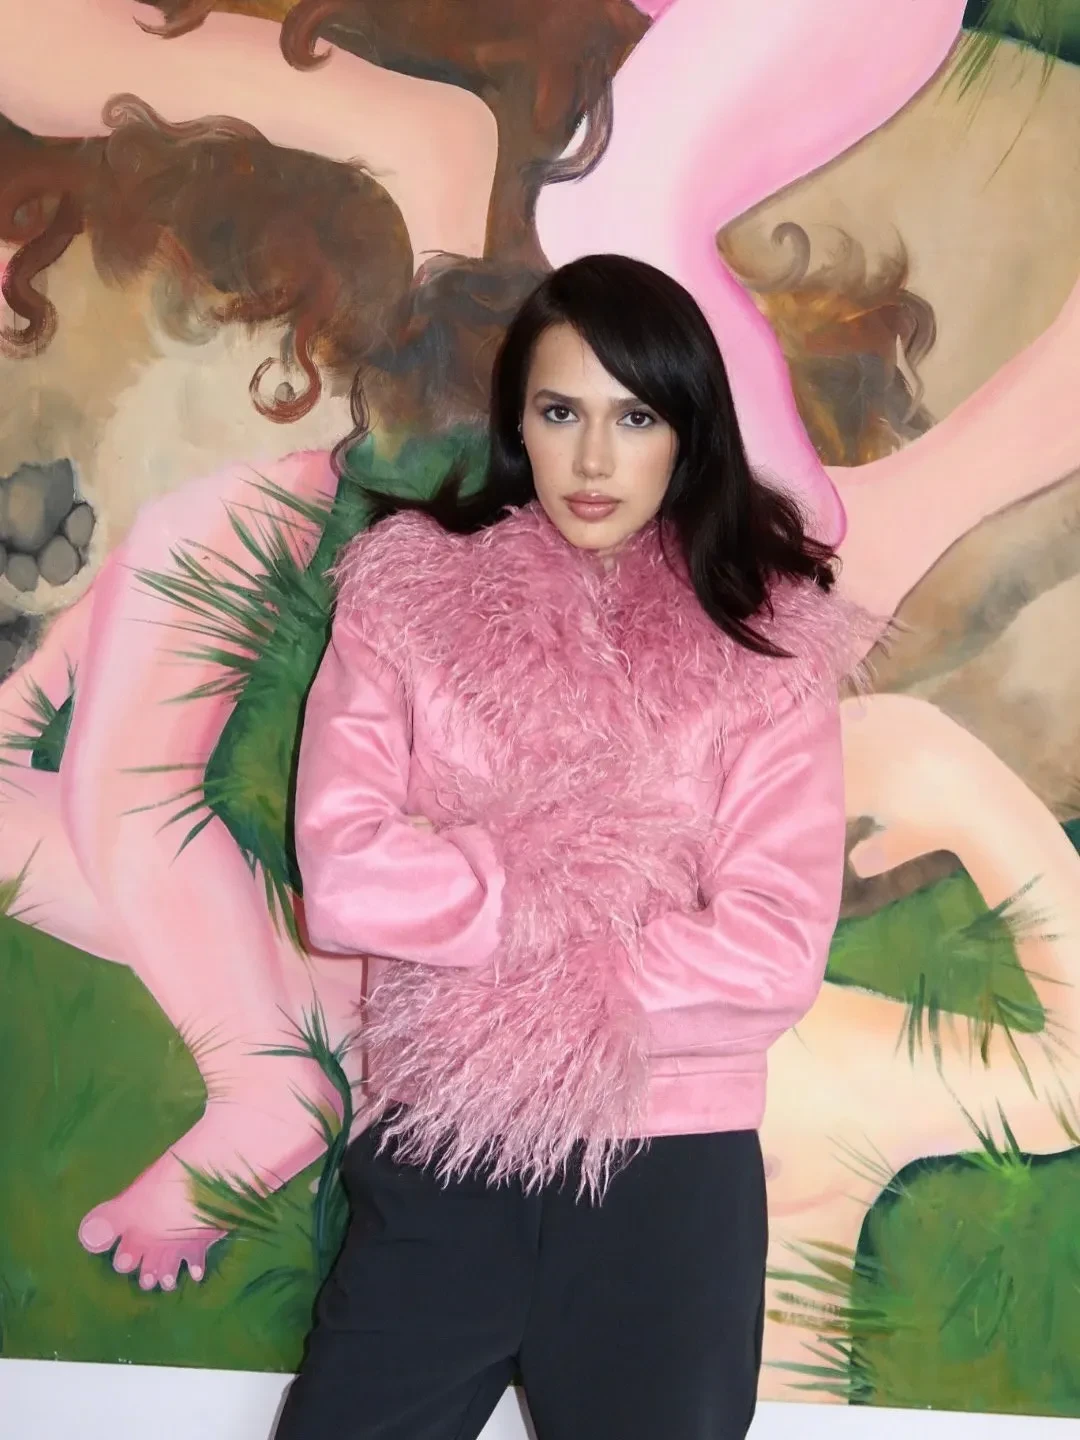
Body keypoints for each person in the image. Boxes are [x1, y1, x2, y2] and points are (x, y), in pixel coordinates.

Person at [278, 253, 859, 1440]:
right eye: (561, 412)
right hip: (445, 1155)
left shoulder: (764, 646)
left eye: (633, 417)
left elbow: (772, 948)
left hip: (667, 1180)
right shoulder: (406, 601)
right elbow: (343, 876)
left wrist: (503, 959)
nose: (594, 461)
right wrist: (562, 886)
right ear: (518, 425)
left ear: (687, 431)